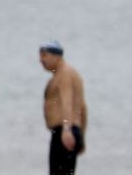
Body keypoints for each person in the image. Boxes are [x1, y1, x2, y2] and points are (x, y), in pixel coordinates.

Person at [41, 40, 88, 175]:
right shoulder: (68, 74)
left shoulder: (65, 73)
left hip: (64, 130)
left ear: (57, 56)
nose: (41, 60)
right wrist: (81, 136)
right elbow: (82, 109)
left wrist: (67, 129)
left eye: (44, 55)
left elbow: (66, 101)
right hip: (72, 130)